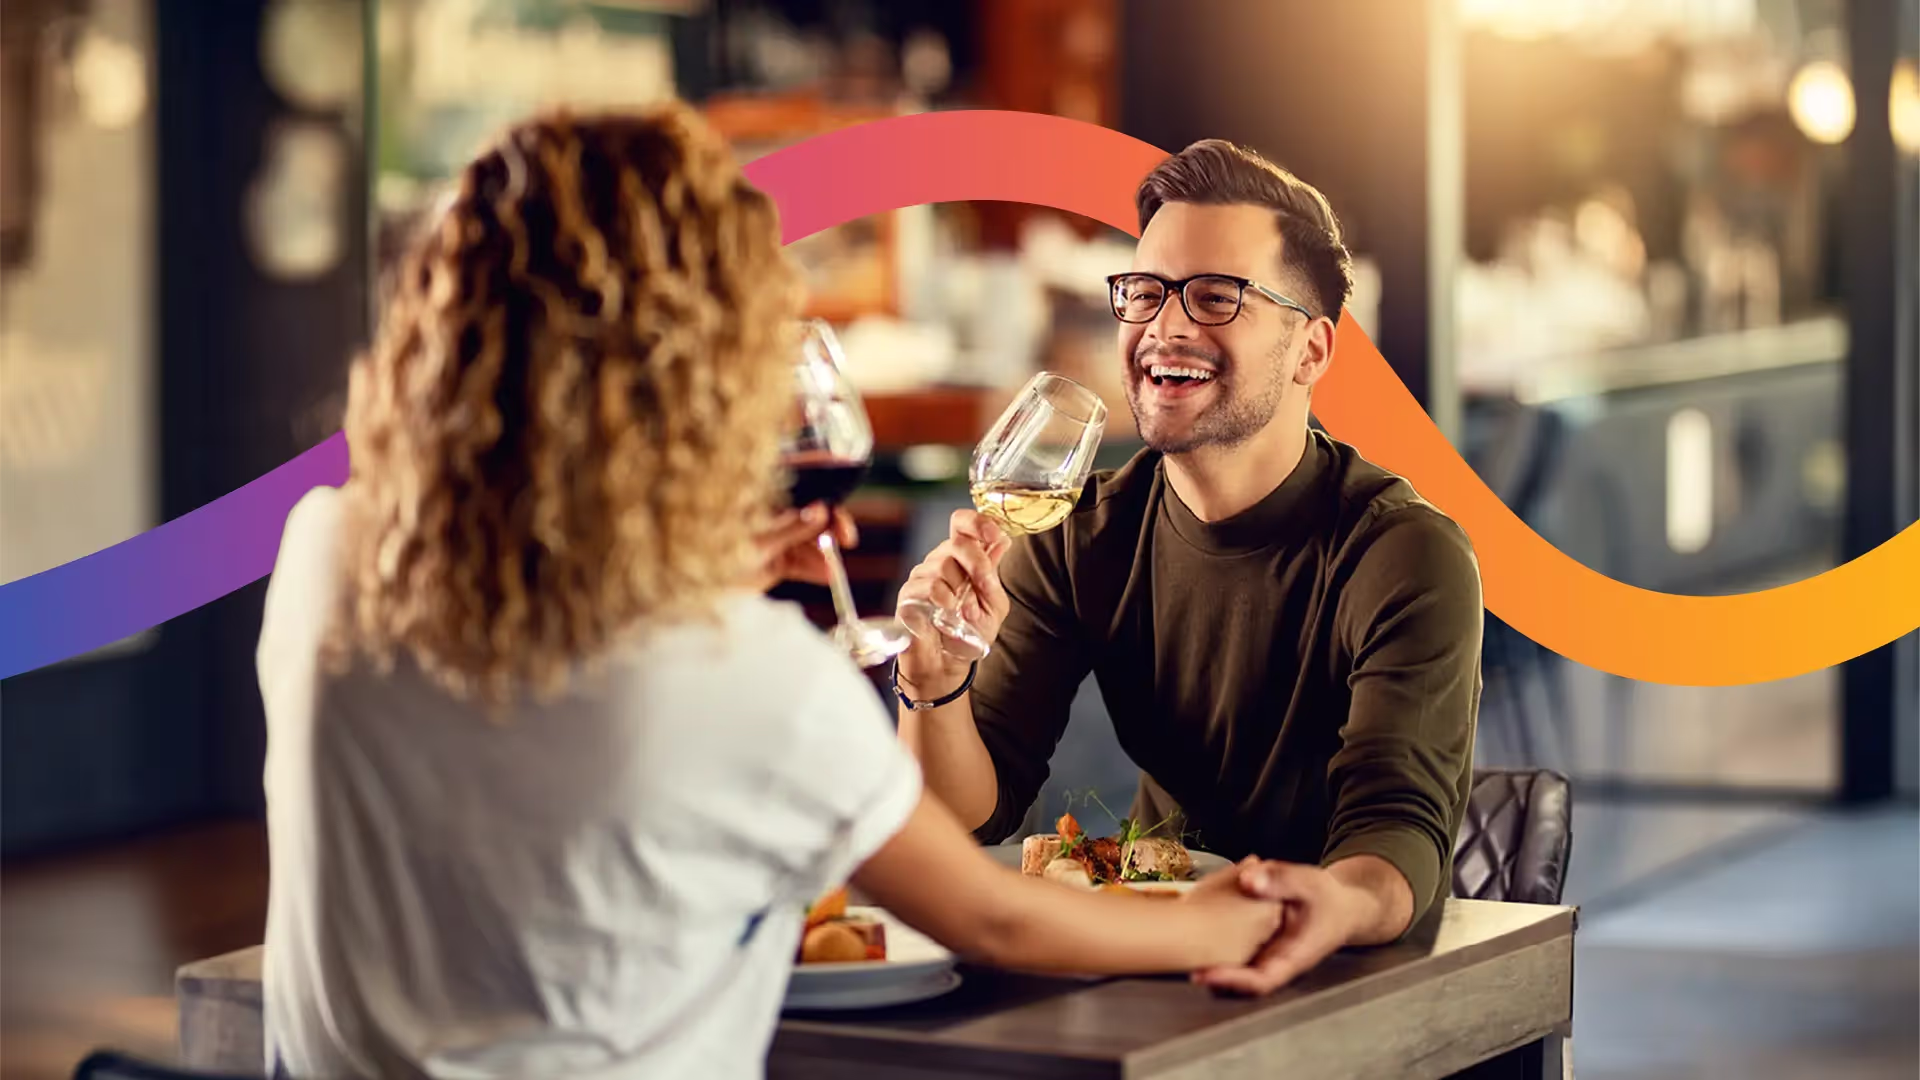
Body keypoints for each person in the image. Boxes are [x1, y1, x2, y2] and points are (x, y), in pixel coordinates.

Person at [256, 105, 1284, 1080]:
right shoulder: (753, 679)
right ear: (697, 372)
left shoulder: (323, 552)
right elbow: (993, 917)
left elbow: (542, 668)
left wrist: (693, 577)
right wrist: (1227, 918)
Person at [892, 139, 1484, 995]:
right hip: (1150, 958)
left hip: (1346, 976)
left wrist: (1323, 905)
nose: (1165, 328)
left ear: (1311, 352)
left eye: (1216, 297)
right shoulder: (1078, 532)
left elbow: (1395, 827)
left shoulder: (1401, 553)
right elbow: (968, 817)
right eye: (1145, 292)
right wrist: (934, 686)